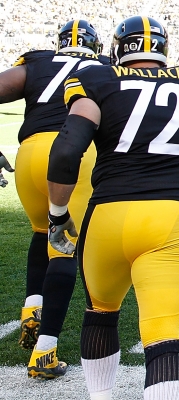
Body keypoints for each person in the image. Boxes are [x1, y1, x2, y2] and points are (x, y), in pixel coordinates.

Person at [47, 16, 179, 400]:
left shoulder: (98, 81)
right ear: (163, 50)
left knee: (100, 312)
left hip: (108, 215)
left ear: (120, 49)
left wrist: (57, 215)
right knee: (164, 334)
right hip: (172, 218)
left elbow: (67, 152)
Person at [0, 20, 108, 378]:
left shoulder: (37, 63)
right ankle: (45, 351)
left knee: (40, 230)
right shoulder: (104, 68)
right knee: (64, 243)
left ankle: (33, 308)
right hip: (70, 151)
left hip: (28, 153)